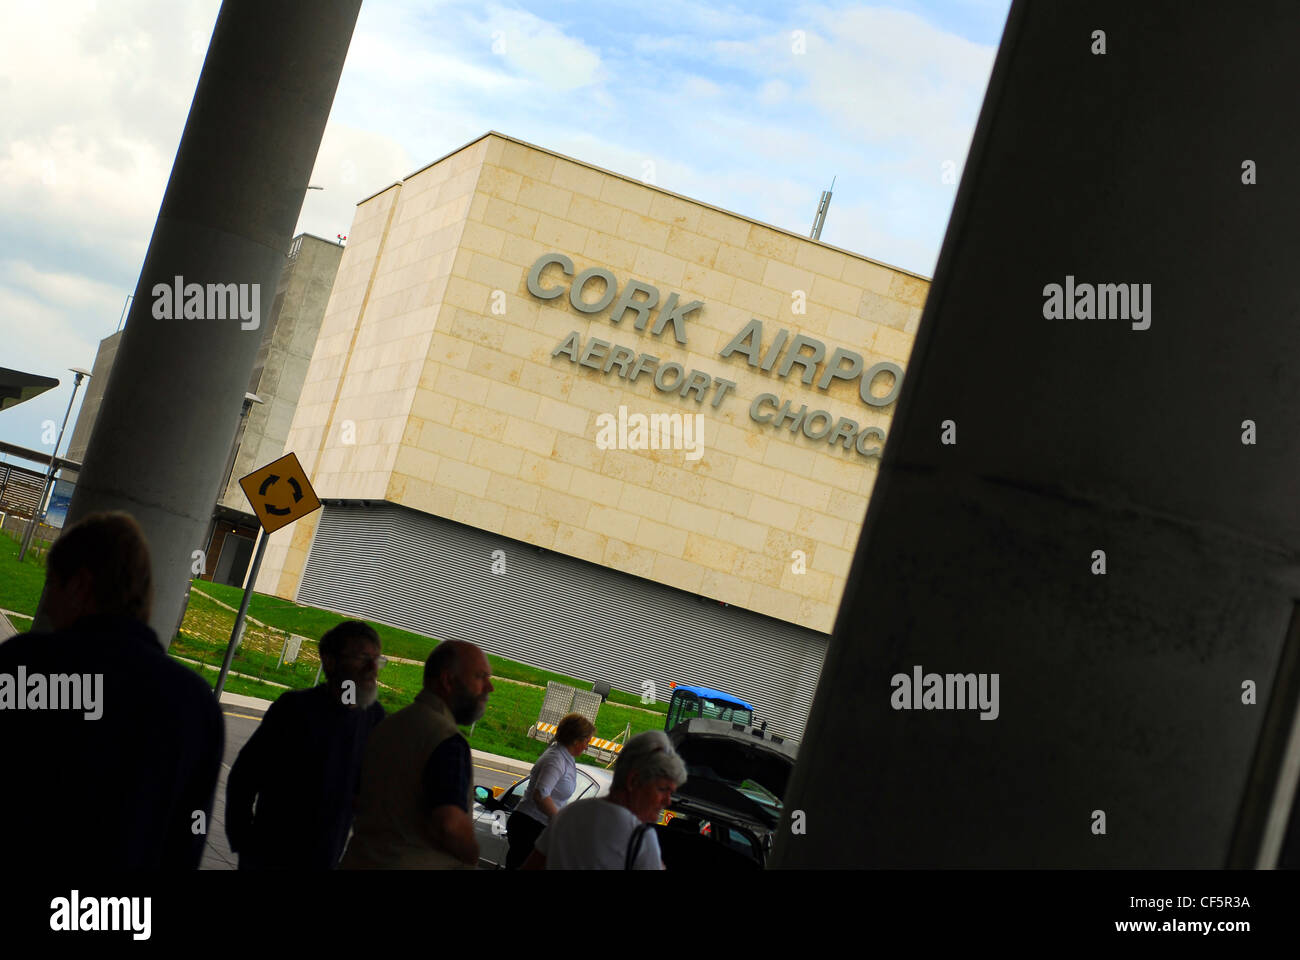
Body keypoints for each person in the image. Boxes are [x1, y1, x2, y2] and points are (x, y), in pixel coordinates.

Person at [0, 511, 224, 868]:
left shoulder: (24, 665)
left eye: (52, 584)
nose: (47, 601)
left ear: (79, 585)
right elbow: (187, 837)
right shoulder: (197, 704)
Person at [225, 620, 387, 869]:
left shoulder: (375, 718)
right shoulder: (295, 710)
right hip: (271, 857)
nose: (373, 669)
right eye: (363, 658)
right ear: (330, 661)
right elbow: (244, 777)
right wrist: (244, 841)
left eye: (377, 660)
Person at [340, 639, 493, 869]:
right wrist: (471, 855)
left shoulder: (387, 726)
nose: (489, 687)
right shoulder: (446, 740)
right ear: (447, 680)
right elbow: (449, 824)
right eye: (480, 677)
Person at [521, 730, 686, 870]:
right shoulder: (639, 838)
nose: (667, 801)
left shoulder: (570, 813)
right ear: (633, 781)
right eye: (663, 789)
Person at [505, 712, 596, 869]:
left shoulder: (566, 758)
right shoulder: (556, 759)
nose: (587, 747)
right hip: (530, 825)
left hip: (538, 825)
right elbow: (540, 794)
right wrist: (560, 820)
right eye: (587, 741)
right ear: (575, 740)